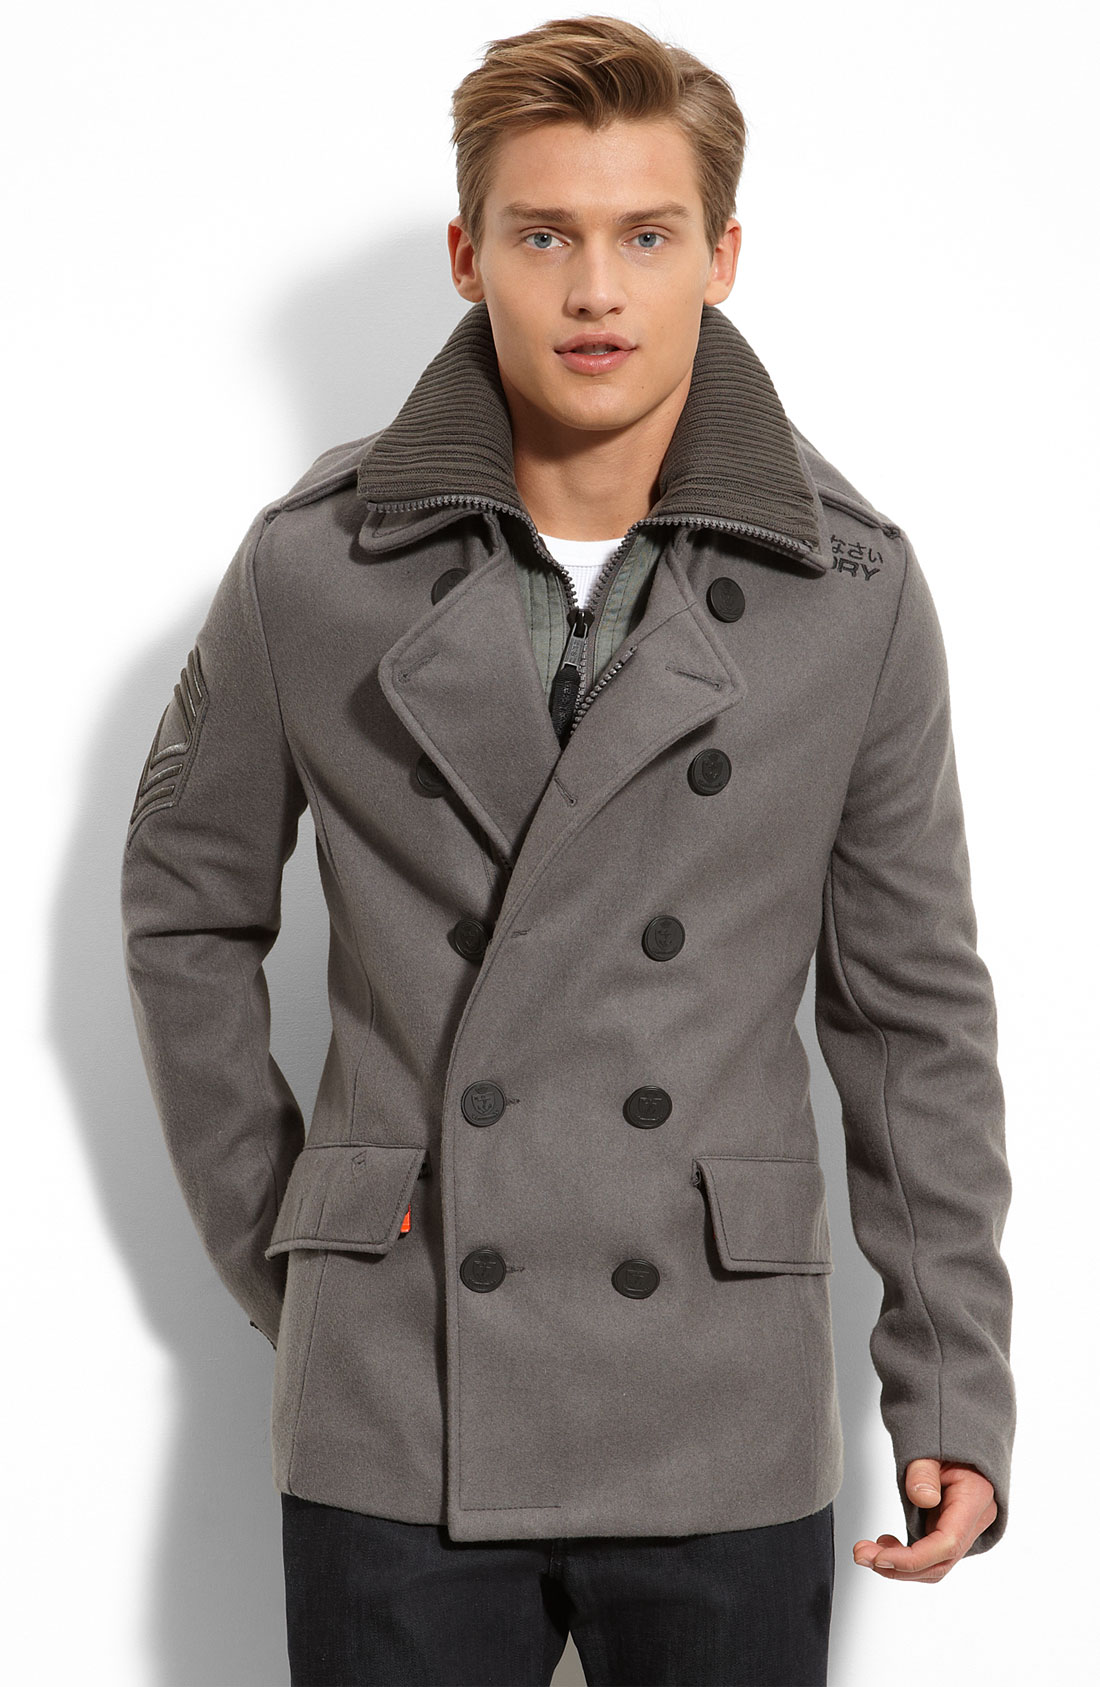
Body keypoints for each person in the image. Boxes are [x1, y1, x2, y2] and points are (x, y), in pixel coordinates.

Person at [120, 13, 1015, 1686]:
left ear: (723, 258)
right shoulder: (314, 570)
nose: (596, 290)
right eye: (544, 237)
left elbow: (912, 1014)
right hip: (402, 1398)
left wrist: (951, 1380)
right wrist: (308, 1252)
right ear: (469, 257)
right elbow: (185, 913)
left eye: (646, 236)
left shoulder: (854, 596)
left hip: (719, 1401)